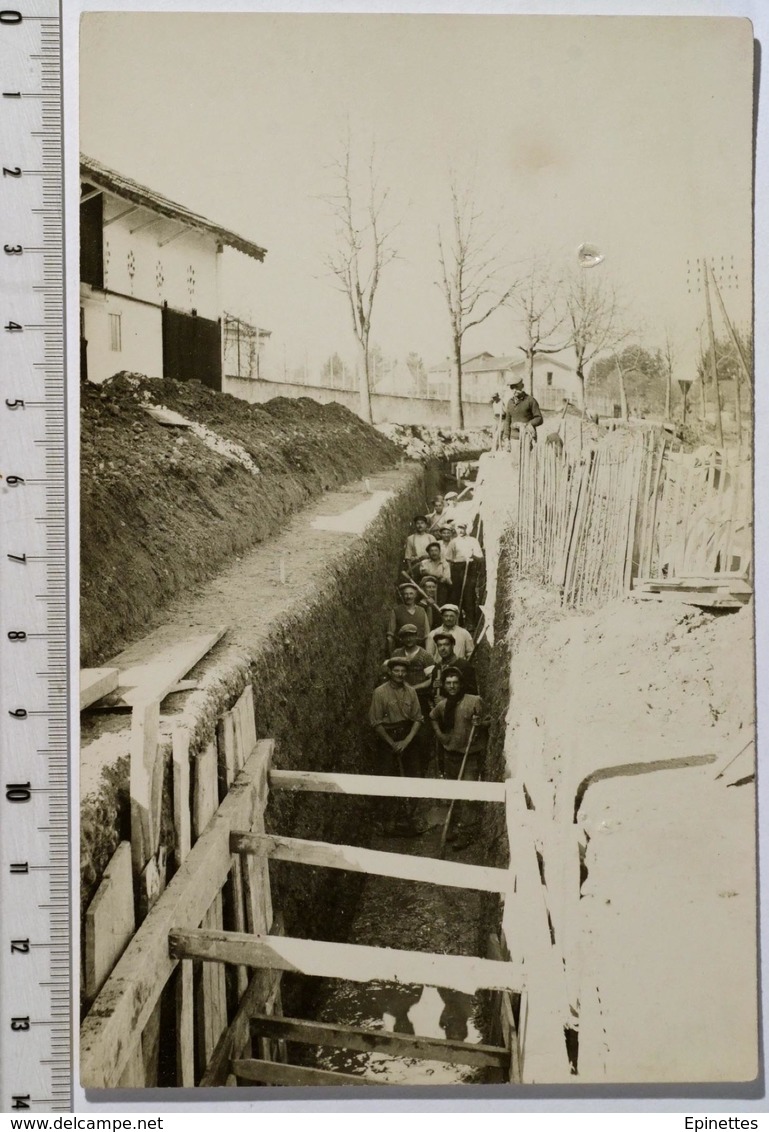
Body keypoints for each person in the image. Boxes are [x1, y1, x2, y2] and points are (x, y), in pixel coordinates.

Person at [368, 656, 426, 836]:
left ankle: (410, 817)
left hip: (407, 737)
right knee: (386, 776)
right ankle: (388, 819)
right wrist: (392, 743)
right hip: (387, 738)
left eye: (403, 671)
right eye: (396, 671)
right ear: (390, 672)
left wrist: (406, 742)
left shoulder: (411, 692)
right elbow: (376, 722)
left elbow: (417, 719)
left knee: (412, 775)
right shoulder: (379, 692)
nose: (400, 674)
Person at [430, 668, 487, 848]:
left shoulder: (474, 701)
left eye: (455, 683)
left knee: (468, 795)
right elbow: (432, 717)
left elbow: (489, 719)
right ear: (444, 685)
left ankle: (466, 832)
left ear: (460, 684)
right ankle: (453, 829)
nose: (452, 686)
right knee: (453, 793)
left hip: (470, 756)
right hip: (451, 755)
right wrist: (440, 735)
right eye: (448, 683)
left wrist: (480, 723)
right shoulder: (443, 705)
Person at [442, 521, 484, 625]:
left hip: (470, 569)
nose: (460, 530)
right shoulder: (453, 542)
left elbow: (481, 558)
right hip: (457, 569)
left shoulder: (473, 541)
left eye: (462, 528)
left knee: (469, 595)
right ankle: (458, 622)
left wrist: (472, 556)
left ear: (466, 529)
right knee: (456, 595)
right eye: (458, 528)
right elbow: (448, 558)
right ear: (455, 529)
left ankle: (470, 622)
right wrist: (457, 561)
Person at [430, 631, 476, 702]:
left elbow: (472, 694)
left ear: (453, 645)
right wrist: (434, 689)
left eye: (446, 644)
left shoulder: (464, 666)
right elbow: (433, 696)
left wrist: (447, 701)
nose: (443, 648)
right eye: (439, 645)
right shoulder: (437, 668)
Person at [386, 581, 431, 652]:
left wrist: (428, 653)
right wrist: (392, 654)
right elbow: (390, 636)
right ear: (403, 595)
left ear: (415, 595)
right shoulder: (396, 611)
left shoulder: (422, 611)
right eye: (406, 594)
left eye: (411, 594)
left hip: (419, 650)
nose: (408, 596)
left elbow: (427, 636)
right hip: (402, 650)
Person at [502, 378, 543, 450]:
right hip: (513, 439)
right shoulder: (510, 402)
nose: (514, 390)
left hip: (527, 437)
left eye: (516, 387)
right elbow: (507, 421)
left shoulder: (530, 400)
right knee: (514, 460)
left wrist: (526, 424)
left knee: (527, 460)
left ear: (522, 386)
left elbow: (539, 418)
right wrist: (506, 439)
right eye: (512, 388)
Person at [418, 540, 453, 605]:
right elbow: (424, 573)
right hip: (427, 588)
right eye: (431, 551)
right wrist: (438, 576)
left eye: (436, 550)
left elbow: (445, 579)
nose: (434, 553)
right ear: (428, 553)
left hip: (440, 588)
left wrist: (431, 574)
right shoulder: (424, 562)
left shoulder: (444, 563)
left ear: (439, 552)